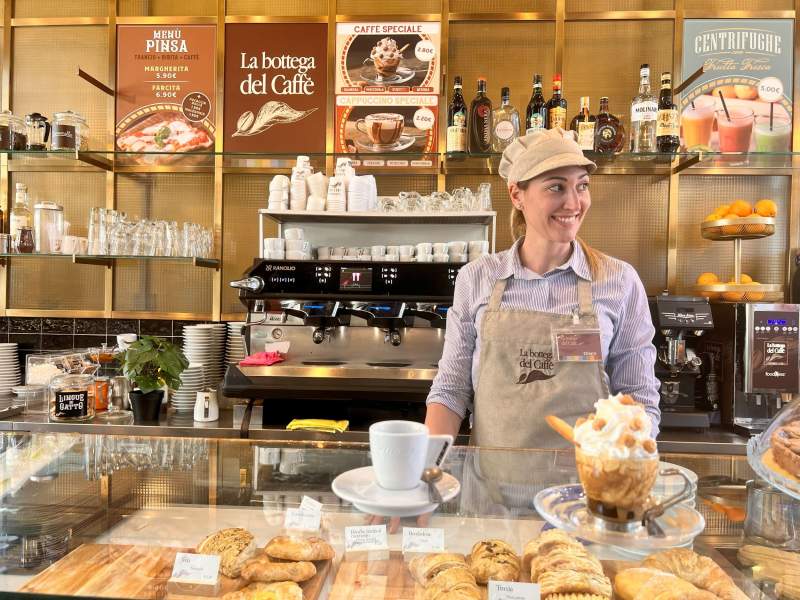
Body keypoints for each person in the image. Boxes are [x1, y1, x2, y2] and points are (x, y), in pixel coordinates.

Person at [425, 128, 661, 449]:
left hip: (584, 491)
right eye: (555, 187)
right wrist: (428, 469)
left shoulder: (619, 281)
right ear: (516, 195)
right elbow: (451, 390)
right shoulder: (477, 278)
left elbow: (639, 398)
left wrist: (625, 467)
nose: (574, 202)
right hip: (492, 493)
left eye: (582, 186)